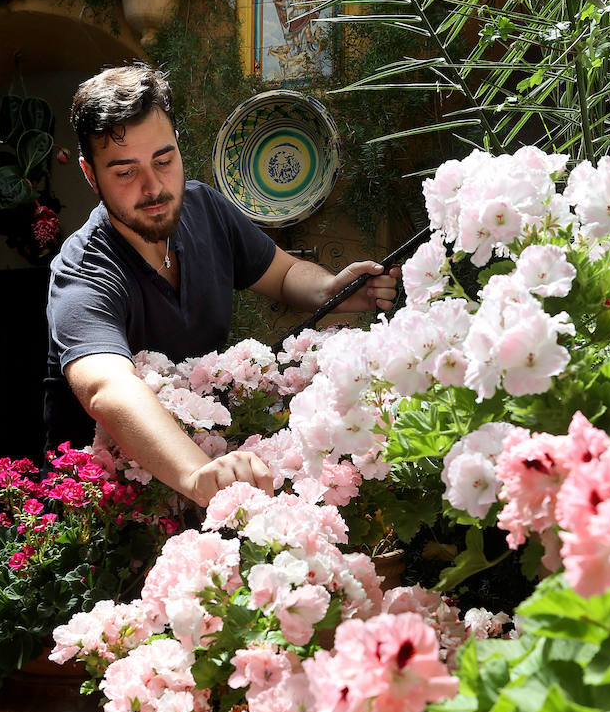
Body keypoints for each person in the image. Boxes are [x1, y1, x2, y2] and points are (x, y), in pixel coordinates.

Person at [44, 64, 399, 507]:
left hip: (210, 484)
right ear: (90, 175)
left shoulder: (204, 208)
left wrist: (333, 290)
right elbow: (107, 388)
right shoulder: (84, 270)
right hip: (107, 511)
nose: (154, 187)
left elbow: (284, 274)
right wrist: (196, 474)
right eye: (125, 172)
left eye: (163, 159)